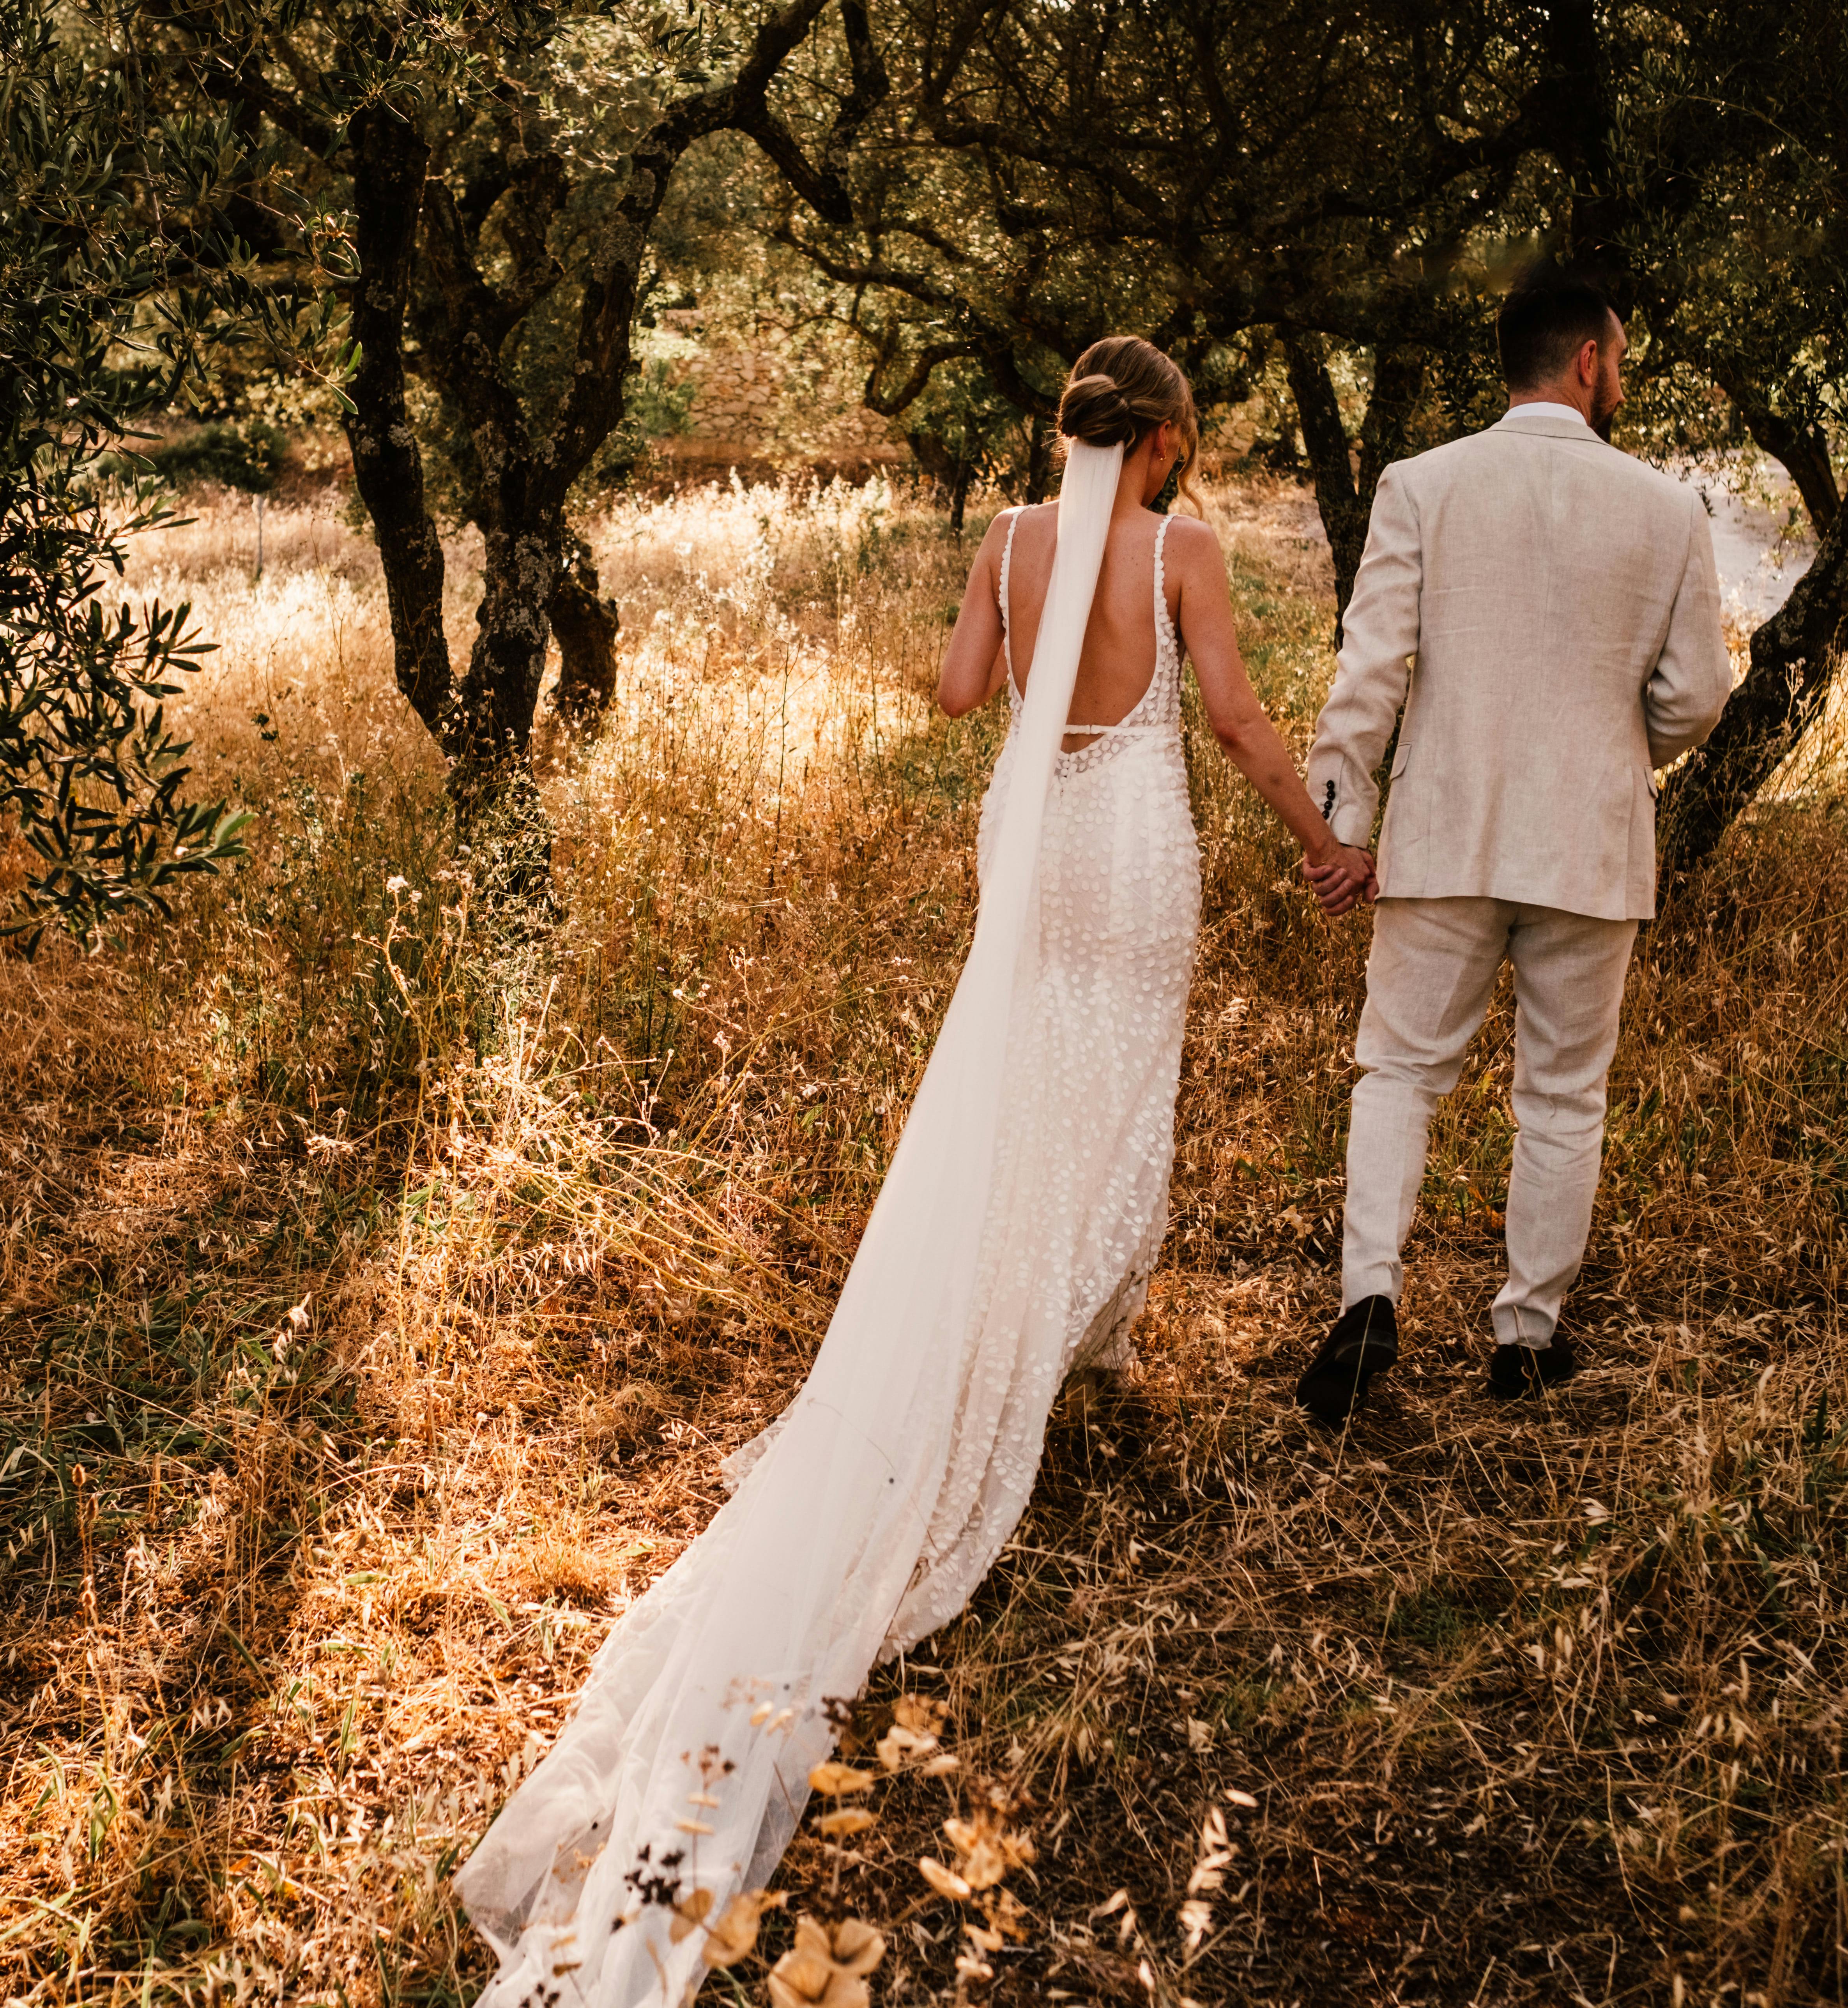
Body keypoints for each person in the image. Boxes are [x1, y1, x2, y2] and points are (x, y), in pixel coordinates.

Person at [453, 338, 1365, 2005]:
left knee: (1018, 1101)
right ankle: (1071, 1337)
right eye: (1178, 446)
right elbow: (1230, 714)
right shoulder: (1183, 551)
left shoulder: (1015, 539)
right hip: (1136, 857)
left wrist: (1002, 625)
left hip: (1036, 844)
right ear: (1162, 442)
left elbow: (959, 697)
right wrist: (1324, 845)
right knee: (1108, 1104)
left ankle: (1018, 1324)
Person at [1292, 262, 1734, 1426]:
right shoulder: (1667, 509)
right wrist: (1604, 744)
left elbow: (1370, 670)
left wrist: (1343, 826)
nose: (1620, 379)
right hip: (1591, 842)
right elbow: (1698, 698)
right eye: (1621, 362)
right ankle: (1527, 1337)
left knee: (1398, 1070)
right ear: (1590, 361)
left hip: (1444, 829)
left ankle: (1369, 1300)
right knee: (1564, 1095)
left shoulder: (1421, 485)